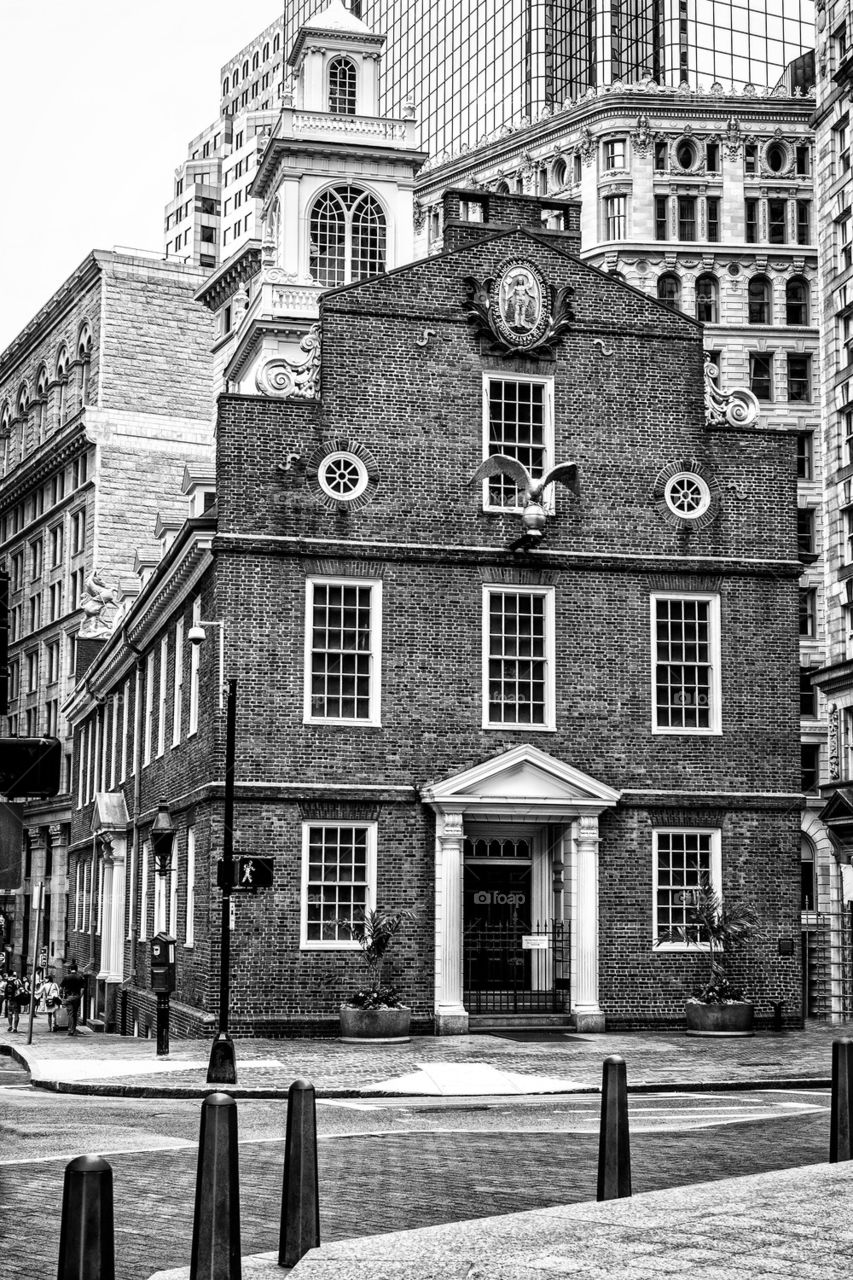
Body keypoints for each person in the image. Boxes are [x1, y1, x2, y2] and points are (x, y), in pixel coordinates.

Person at [60, 962, 85, 1036]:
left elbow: (61, 987)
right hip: (77, 996)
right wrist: (80, 996)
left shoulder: (66, 977)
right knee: (75, 1013)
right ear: (76, 970)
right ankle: (74, 1029)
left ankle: (71, 1030)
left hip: (69, 997)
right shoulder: (80, 977)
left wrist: (61, 996)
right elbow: (82, 989)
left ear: (70, 969)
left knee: (70, 1013)